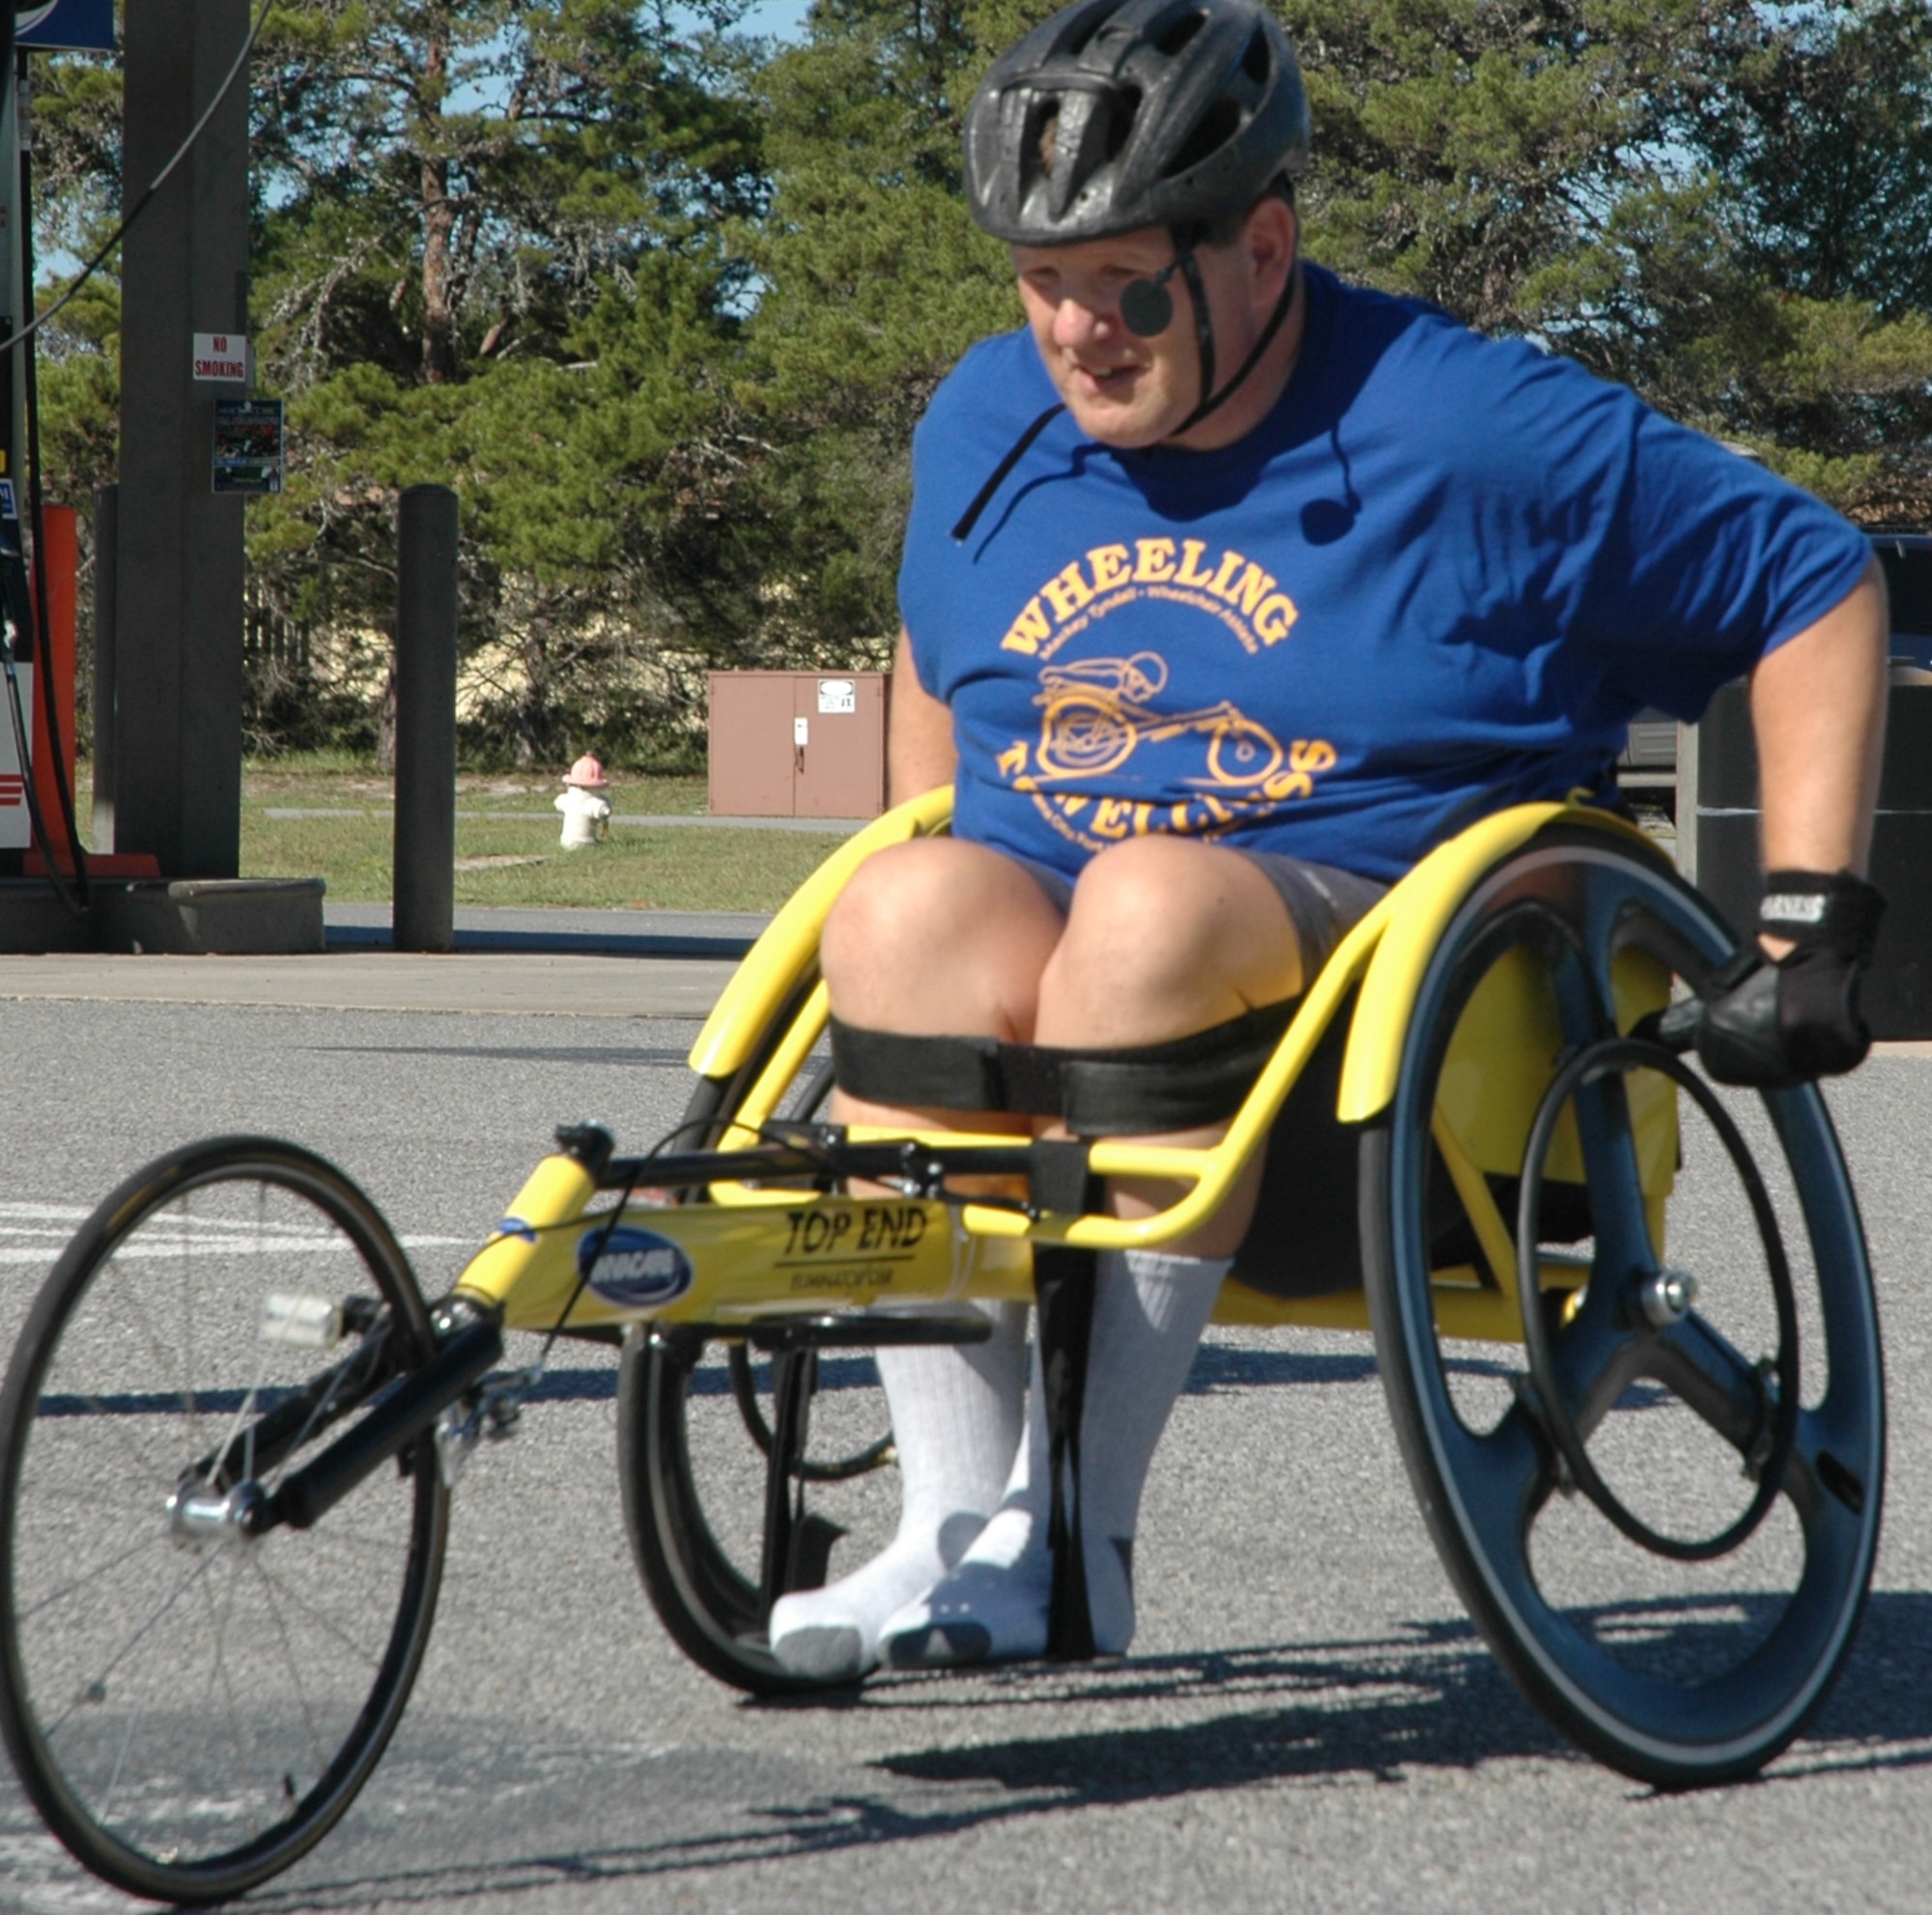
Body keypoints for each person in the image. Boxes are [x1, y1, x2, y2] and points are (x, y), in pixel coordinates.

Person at [767, 0, 1889, 1681]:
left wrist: (1806, 919)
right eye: (1041, 281)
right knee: (901, 904)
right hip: (1070, 994)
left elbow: (1814, 577)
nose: (1076, 333)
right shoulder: (985, 422)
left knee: (1147, 903)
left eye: (1126, 284)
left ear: (1265, 246)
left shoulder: (1469, 428)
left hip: (1379, 1027)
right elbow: (943, 668)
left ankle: (1076, 1535)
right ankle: (947, 1521)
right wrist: (923, 871)